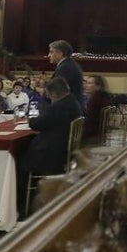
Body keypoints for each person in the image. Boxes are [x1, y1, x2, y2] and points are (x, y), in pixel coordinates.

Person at [18, 77, 83, 215]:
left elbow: (36, 124)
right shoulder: (72, 101)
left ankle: (23, 205)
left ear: (53, 94)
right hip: (65, 149)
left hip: (51, 153)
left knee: (19, 158)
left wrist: (31, 119)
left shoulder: (57, 106)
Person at [48, 40, 85, 108]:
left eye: (51, 52)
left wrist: (43, 91)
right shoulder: (69, 64)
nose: (49, 55)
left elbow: (58, 92)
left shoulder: (65, 67)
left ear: (60, 53)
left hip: (68, 110)